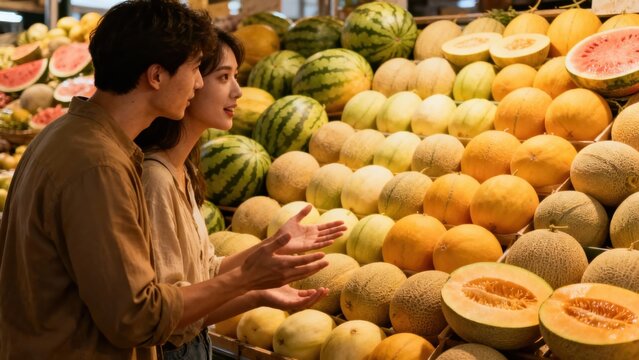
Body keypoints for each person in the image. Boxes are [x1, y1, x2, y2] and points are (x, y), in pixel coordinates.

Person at [0, 1, 343, 359]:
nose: (198, 82)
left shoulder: (67, 136)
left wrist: (258, 266)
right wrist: (245, 280)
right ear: (157, 75)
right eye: (196, 68)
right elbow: (135, 317)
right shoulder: (99, 165)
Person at [134, 28, 341, 359]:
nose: (238, 91)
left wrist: (264, 269)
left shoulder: (182, 169)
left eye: (236, 76)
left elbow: (202, 280)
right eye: (223, 77)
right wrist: (249, 280)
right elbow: (169, 319)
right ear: (189, 82)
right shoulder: (156, 178)